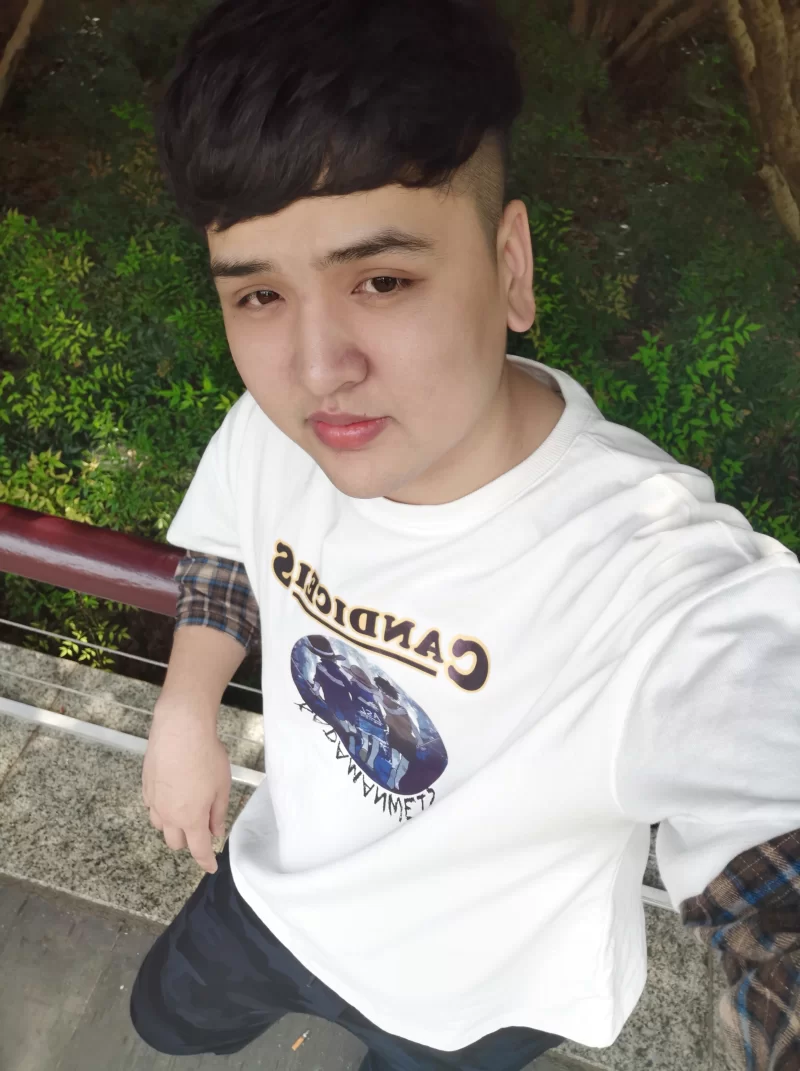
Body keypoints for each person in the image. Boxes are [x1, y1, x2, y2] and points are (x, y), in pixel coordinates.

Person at [129, 1, 800, 1068]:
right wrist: (183, 708)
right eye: (257, 294)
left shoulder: (651, 580)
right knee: (162, 1021)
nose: (315, 370)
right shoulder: (270, 428)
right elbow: (228, 547)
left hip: (476, 997)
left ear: (510, 264)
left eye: (381, 280)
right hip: (273, 889)